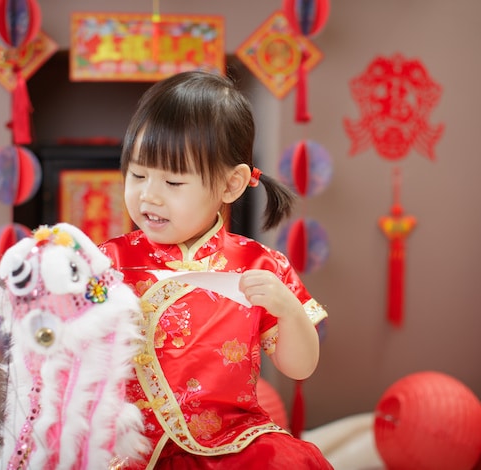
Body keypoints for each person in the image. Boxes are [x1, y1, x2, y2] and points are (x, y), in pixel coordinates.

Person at [100, 70, 332, 469]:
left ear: (230, 185)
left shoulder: (260, 265)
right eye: (137, 175)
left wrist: (288, 308)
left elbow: (300, 366)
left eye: (173, 182)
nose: (148, 195)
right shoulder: (106, 263)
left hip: (229, 444)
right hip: (128, 448)